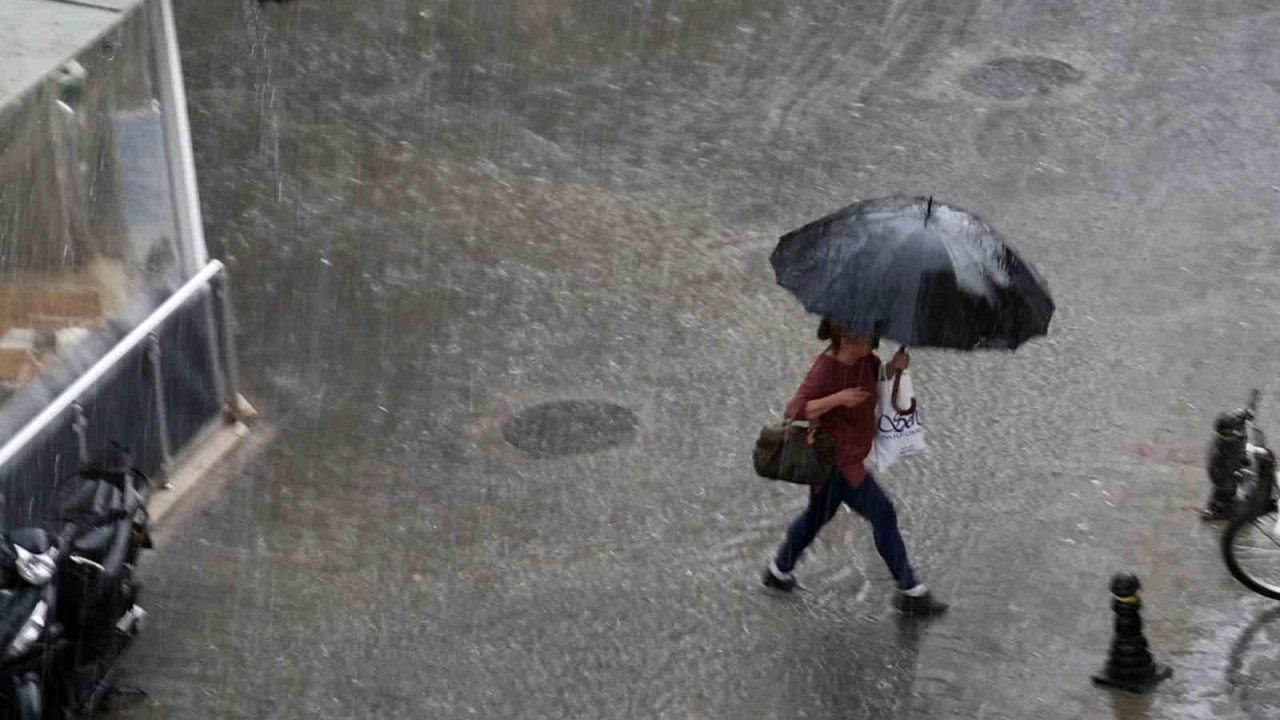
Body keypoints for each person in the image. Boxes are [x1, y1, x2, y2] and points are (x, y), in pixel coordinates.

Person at [762, 318, 948, 616]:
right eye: (869, 335)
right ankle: (909, 590)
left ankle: (778, 570)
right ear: (847, 337)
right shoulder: (826, 369)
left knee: (815, 518)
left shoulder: (868, 362)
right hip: (837, 463)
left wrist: (894, 368)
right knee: (883, 513)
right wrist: (838, 399)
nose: (875, 339)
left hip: (848, 457)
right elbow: (795, 410)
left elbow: (877, 384)